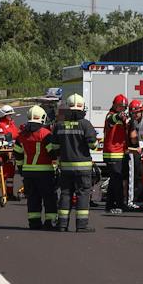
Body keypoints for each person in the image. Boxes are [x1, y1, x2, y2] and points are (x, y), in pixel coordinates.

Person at [47, 94, 98, 231]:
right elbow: (93, 145)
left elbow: (55, 148)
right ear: (82, 108)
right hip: (83, 168)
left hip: (66, 167)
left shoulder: (59, 125)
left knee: (65, 194)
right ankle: (81, 226)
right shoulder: (85, 124)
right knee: (83, 194)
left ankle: (62, 225)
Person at [18, 105, 58, 229]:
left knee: (33, 198)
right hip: (45, 172)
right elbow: (53, 153)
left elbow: (17, 154)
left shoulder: (22, 135)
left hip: (28, 173)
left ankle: (34, 222)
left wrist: (21, 169)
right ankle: (50, 222)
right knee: (49, 198)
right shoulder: (45, 134)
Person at [102, 93, 132, 213]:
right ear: (114, 105)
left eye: (124, 107)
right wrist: (119, 116)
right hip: (113, 153)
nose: (122, 109)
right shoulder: (111, 116)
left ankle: (109, 204)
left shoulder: (121, 117)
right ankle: (119, 204)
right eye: (120, 106)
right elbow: (112, 120)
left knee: (114, 180)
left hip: (119, 152)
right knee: (117, 181)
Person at [0, 105, 21, 201]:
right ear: (4, 115)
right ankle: (0, 191)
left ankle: (5, 192)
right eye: (9, 115)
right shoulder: (1, 125)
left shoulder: (12, 123)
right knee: (6, 173)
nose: (11, 116)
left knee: (10, 173)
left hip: (13, 150)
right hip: (5, 152)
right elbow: (4, 138)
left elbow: (16, 134)